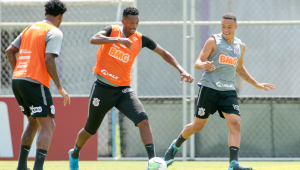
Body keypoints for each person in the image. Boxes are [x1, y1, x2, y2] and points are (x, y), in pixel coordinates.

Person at [68, 6, 194, 170]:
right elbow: (94, 39)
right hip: (102, 88)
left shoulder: (141, 39)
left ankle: (153, 162)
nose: (134, 26)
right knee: (90, 130)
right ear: (123, 21)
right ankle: (75, 153)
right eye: (131, 23)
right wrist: (118, 40)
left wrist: (181, 69)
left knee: (143, 120)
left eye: (137, 23)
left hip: (123, 91)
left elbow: (164, 53)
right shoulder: (112, 31)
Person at [163, 13, 275, 170]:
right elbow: (197, 62)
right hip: (209, 88)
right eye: (223, 25)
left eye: (229, 26)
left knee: (235, 124)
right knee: (197, 125)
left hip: (228, 90)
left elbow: (240, 68)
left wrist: (256, 84)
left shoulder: (240, 46)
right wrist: (203, 65)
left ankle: (233, 164)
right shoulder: (213, 41)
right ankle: (173, 148)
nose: (225, 29)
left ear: (235, 27)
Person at [5, 1, 70, 170]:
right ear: (61, 16)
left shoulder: (30, 28)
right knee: (48, 126)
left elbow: (9, 51)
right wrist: (60, 87)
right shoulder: (54, 31)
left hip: (17, 80)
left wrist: (19, 70)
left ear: (45, 13)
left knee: (33, 123)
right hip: (35, 82)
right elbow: (49, 59)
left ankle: (21, 166)